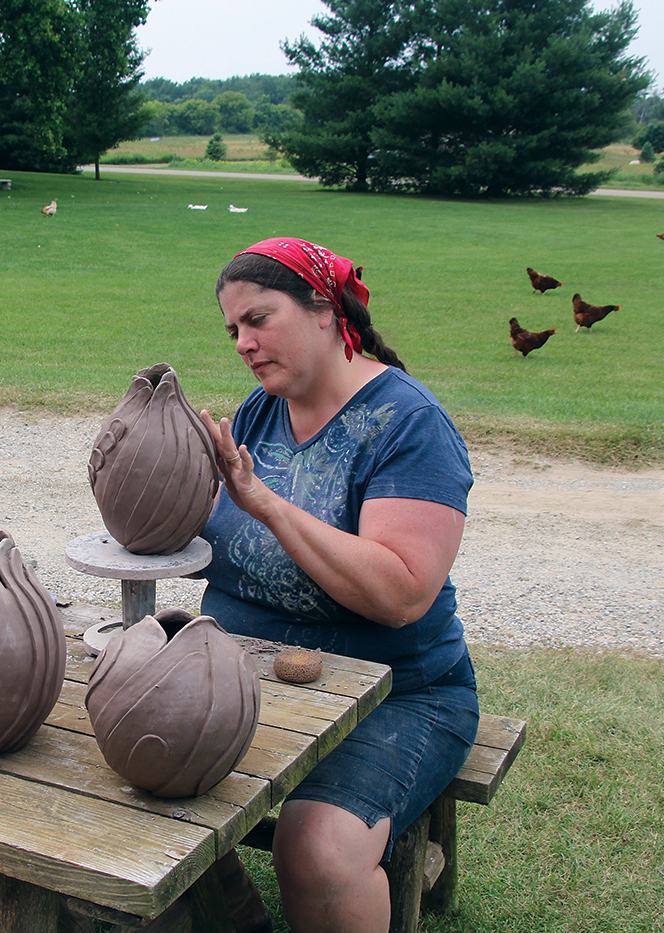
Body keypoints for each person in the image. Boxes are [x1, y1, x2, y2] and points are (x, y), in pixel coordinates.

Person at [198, 237, 480, 933]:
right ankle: (228, 915)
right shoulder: (263, 408)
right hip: (255, 677)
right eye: (233, 329)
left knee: (318, 848)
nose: (243, 342)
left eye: (258, 319)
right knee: (126, 763)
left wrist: (265, 503)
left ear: (324, 310)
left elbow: (403, 590)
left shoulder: (409, 424)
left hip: (397, 694)